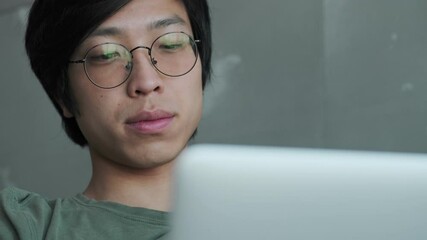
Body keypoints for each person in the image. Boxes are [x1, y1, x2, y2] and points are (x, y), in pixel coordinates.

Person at [0, 0, 211, 239]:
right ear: (63, 96)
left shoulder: (259, 218)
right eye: (106, 54)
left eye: (171, 43)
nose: (146, 81)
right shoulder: (25, 227)